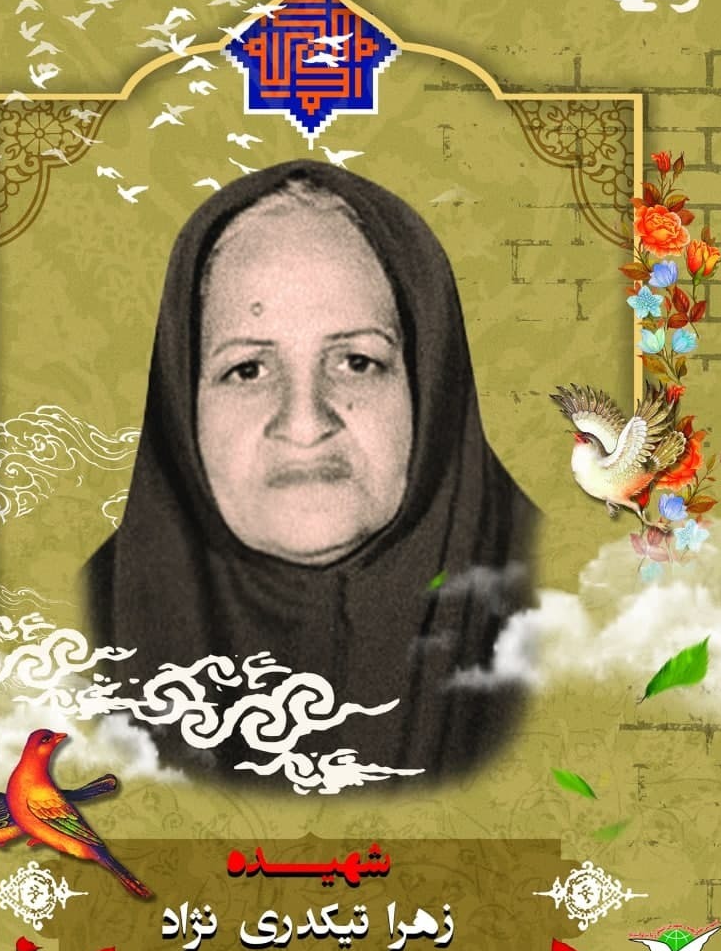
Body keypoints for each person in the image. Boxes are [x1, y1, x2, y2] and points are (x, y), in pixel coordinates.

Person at [85, 160, 536, 781]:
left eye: (357, 362)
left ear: (431, 384)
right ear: (181, 401)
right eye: (248, 370)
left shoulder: (590, 623)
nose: (304, 424)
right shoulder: (55, 645)